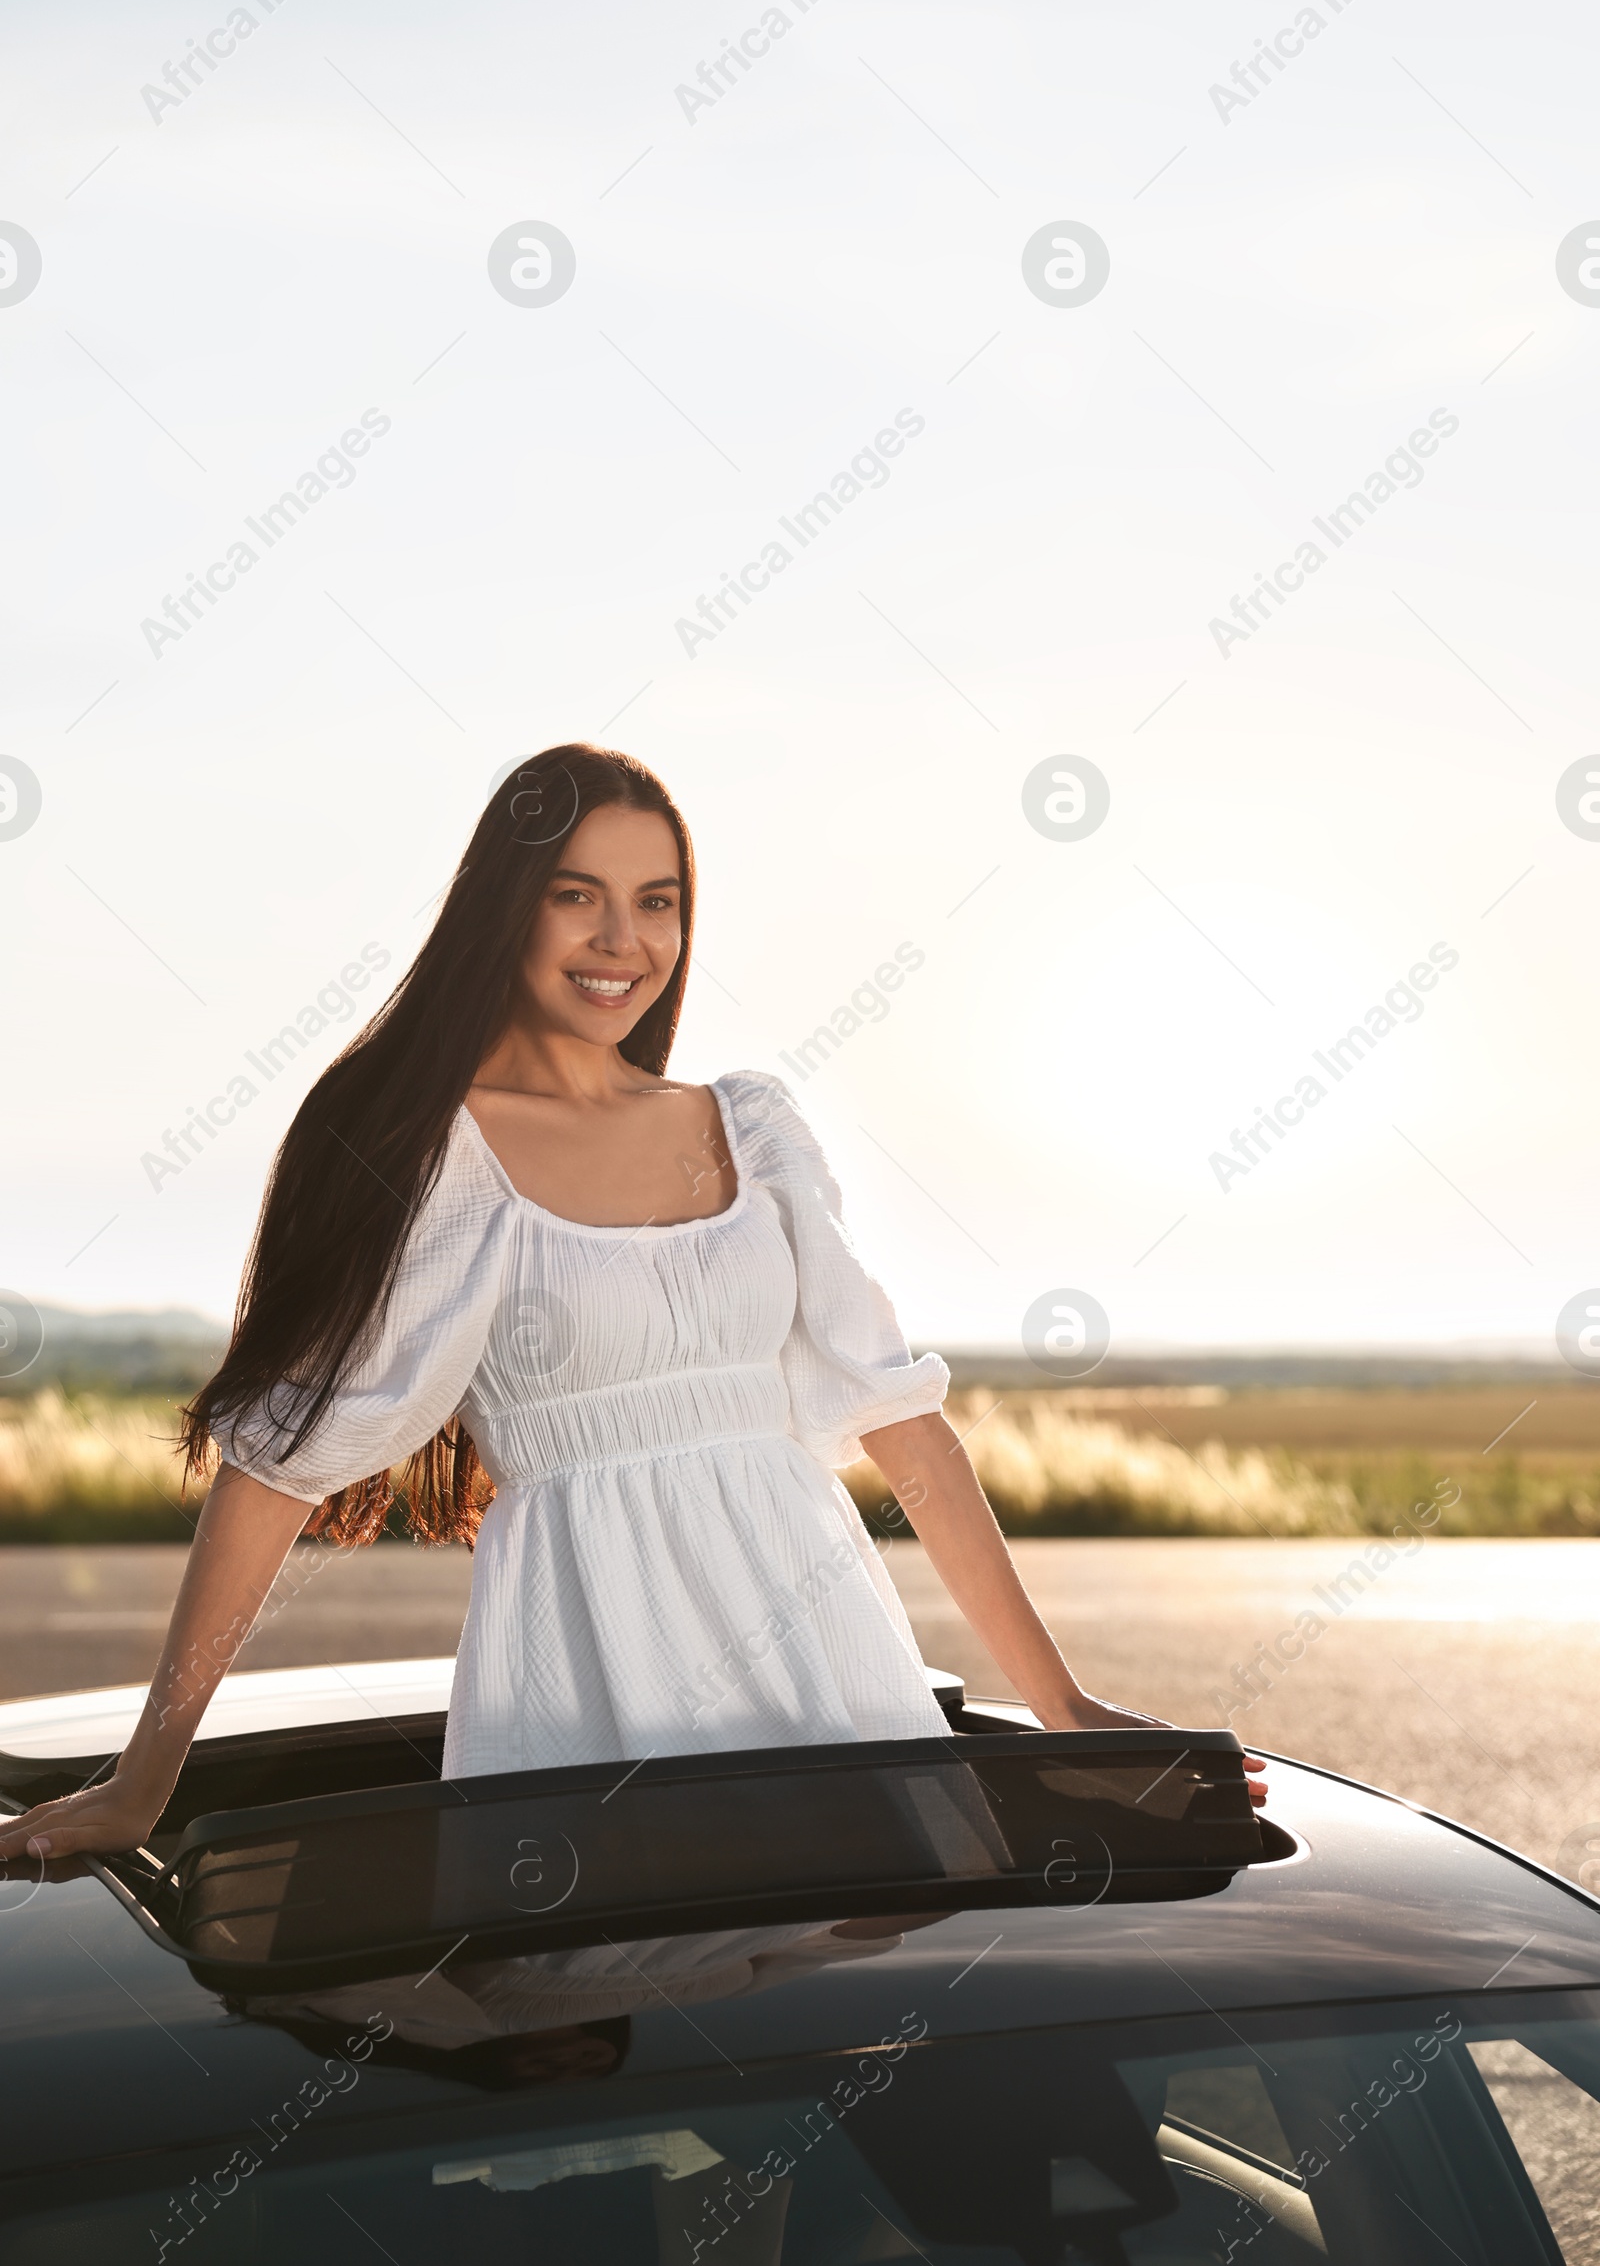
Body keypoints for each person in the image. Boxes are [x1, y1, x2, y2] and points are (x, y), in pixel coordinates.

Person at [0, 742, 1264, 1863]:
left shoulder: (750, 1123)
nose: (624, 940)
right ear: (505, 909)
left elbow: (902, 1420)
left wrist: (1064, 1708)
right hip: (589, 1665)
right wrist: (144, 1775)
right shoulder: (429, 1149)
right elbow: (279, 1464)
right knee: (625, 2022)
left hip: (829, 1656)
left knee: (873, 2025)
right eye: (578, 896)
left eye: (656, 901)